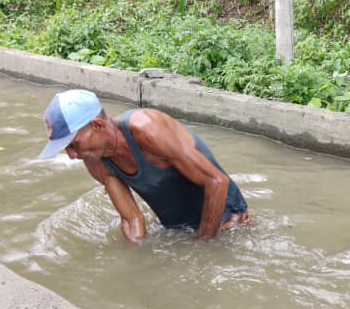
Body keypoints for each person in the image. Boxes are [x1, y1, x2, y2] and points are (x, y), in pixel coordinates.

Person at [38, 88, 250, 242]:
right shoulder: (95, 160)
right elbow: (132, 221)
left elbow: (217, 181)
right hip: (176, 228)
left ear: (96, 125)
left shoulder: (146, 128)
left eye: (73, 144)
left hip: (225, 220)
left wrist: (202, 244)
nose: (72, 155)